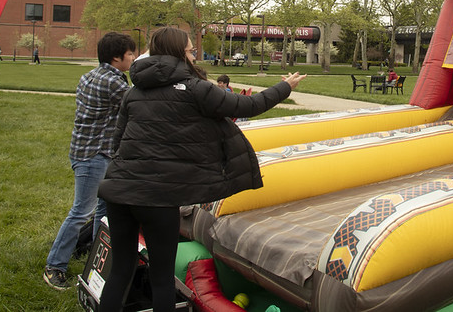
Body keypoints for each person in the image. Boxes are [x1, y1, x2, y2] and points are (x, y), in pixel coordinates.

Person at [97, 27, 305, 312]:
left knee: (120, 271)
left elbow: (117, 142)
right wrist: (285, 87)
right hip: (157, 199)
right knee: (161, 277)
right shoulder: (195, 89)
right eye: (191, 51)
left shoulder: (134, 91)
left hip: (117, 191)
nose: (194, 56)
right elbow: (248, 105)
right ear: (179, 53)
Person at [43, 32, 137, 291]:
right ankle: (55, 267)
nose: (134, 58)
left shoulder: (92, 76)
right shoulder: (113, 83)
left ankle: (97, 263)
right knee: (80, 212)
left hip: (96, 152)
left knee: (104, 210)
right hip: (93, 155)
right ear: (117, 57)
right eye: (130, 54)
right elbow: (136, 105)